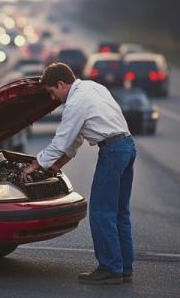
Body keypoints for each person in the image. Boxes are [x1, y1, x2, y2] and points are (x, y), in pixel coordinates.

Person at [21, 63, 136, 285]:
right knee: (120, 212)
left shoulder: (75, 102)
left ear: (61, 84)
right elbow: (75, 140)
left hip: (112, 151)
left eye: (52, 91)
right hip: (127, 146)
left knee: (102, 212)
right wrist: (57, 165)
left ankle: (110, 268)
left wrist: (36, 165)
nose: (53, 98)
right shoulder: (93, 87)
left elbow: (61, 141)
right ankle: (124, 268)